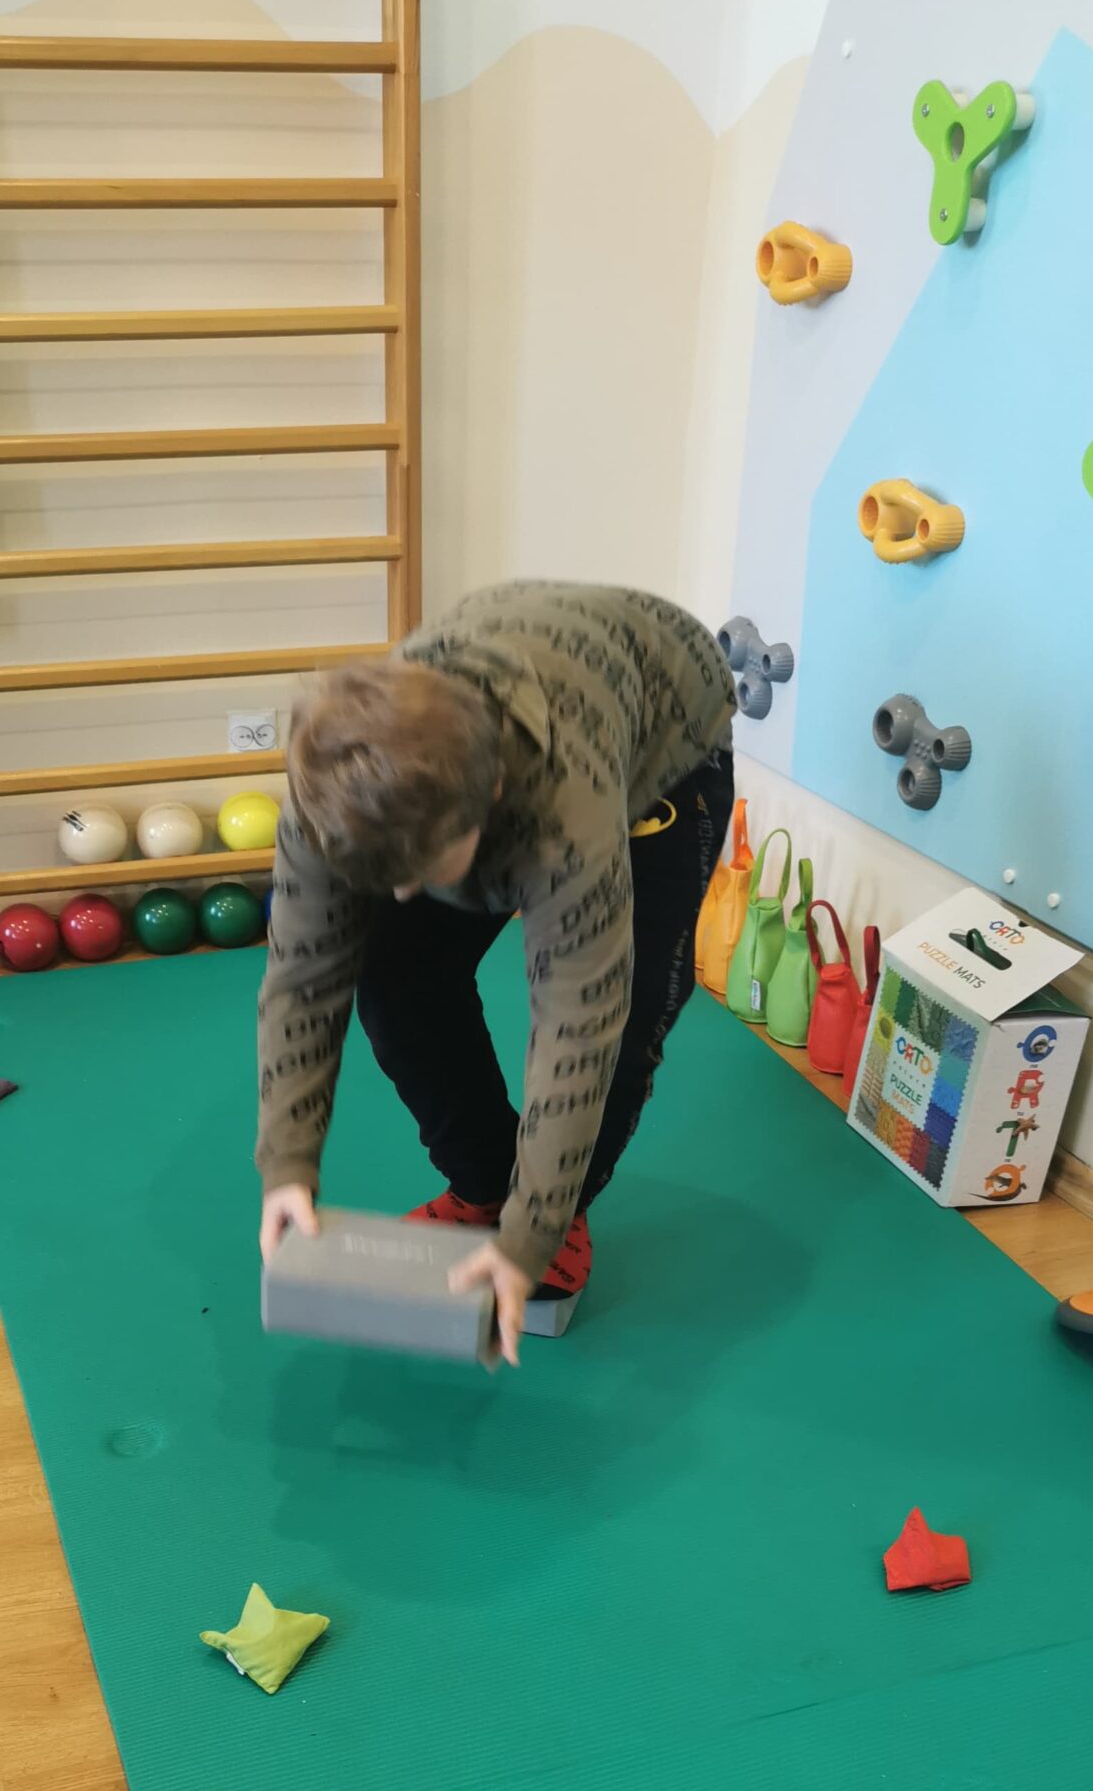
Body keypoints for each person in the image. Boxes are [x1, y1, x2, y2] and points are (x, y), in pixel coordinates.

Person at [256, 580, 737, 1360]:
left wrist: (531, 1236)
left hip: (664, 719)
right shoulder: (326, 789)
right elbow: (302, 980)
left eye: (422, 871)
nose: (404, 893)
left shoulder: (561, 813)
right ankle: (485, 1186)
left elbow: (579, 1023)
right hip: (527, 665)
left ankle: (558, 1211)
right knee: (396, 970)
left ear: (493, 798)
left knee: (631, 1016)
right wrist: (287, 1165)